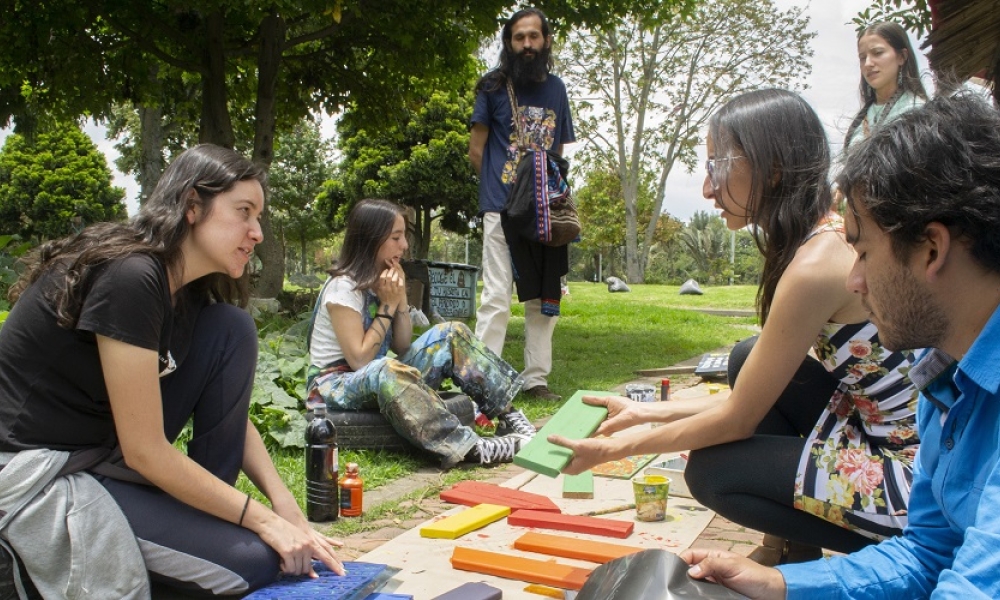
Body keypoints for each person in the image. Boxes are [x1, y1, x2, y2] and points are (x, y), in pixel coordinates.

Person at [549, 89, 920, 564]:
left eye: (717, 168)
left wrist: (611, 447)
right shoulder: (818, 235)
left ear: (774, 168)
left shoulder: (815, 266)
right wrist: (641, 412)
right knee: (748, 357)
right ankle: (792, 547)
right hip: (874, 432)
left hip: (914, 482)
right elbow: (748, 398)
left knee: (713, 472)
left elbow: (737, 419)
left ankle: (888, 549)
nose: (707, 190)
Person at [683, 91, 1000, 599]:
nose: (853, 280)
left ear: (932, 249)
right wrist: (783, 584)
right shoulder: (940, 378)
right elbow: (927, 555)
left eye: (864, 251)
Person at [0, 144, 342, 597]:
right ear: (192, 205)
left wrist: (284, 507)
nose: (257, 232)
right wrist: (260, 521)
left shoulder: (184, 292)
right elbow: (144, 450)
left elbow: (231, 421)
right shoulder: (131, 275)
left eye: (259, 218)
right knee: (252, 562)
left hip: (105, 453)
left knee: (232, 328)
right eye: (244, 212)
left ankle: (197, 523)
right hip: (41, 470)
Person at [306, 199, 536, 468]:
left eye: (404, 236)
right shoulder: (343, 288)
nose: (404, 245)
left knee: (451, 333)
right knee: (385, 369)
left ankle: (509, 417)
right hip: (334, 385)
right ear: (371, 240)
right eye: (396, 237)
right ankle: (471, 448)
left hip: (374, 374)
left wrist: (399, 298)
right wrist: (387, 305)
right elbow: (359, 361)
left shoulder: (385, 279)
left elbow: (403, 345)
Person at [469, 7, 576, 402]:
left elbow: (558, 148)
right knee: (496, 296)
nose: (527, 44)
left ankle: (536, 380)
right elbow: (476, 150)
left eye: (534, 36)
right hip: (501, 208)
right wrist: (504, 190)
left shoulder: (557, 89)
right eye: (519, 38)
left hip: (544, 214)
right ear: (508, 43)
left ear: (545, 40)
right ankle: (482, 382)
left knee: (541, 298)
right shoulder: (492, 87)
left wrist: (542, 193)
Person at [844, 21, 928, 151]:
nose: (868, 63)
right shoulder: (861, 119)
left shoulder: (918, 111)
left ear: (902, 56)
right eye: (862, 57)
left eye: (877, 53)